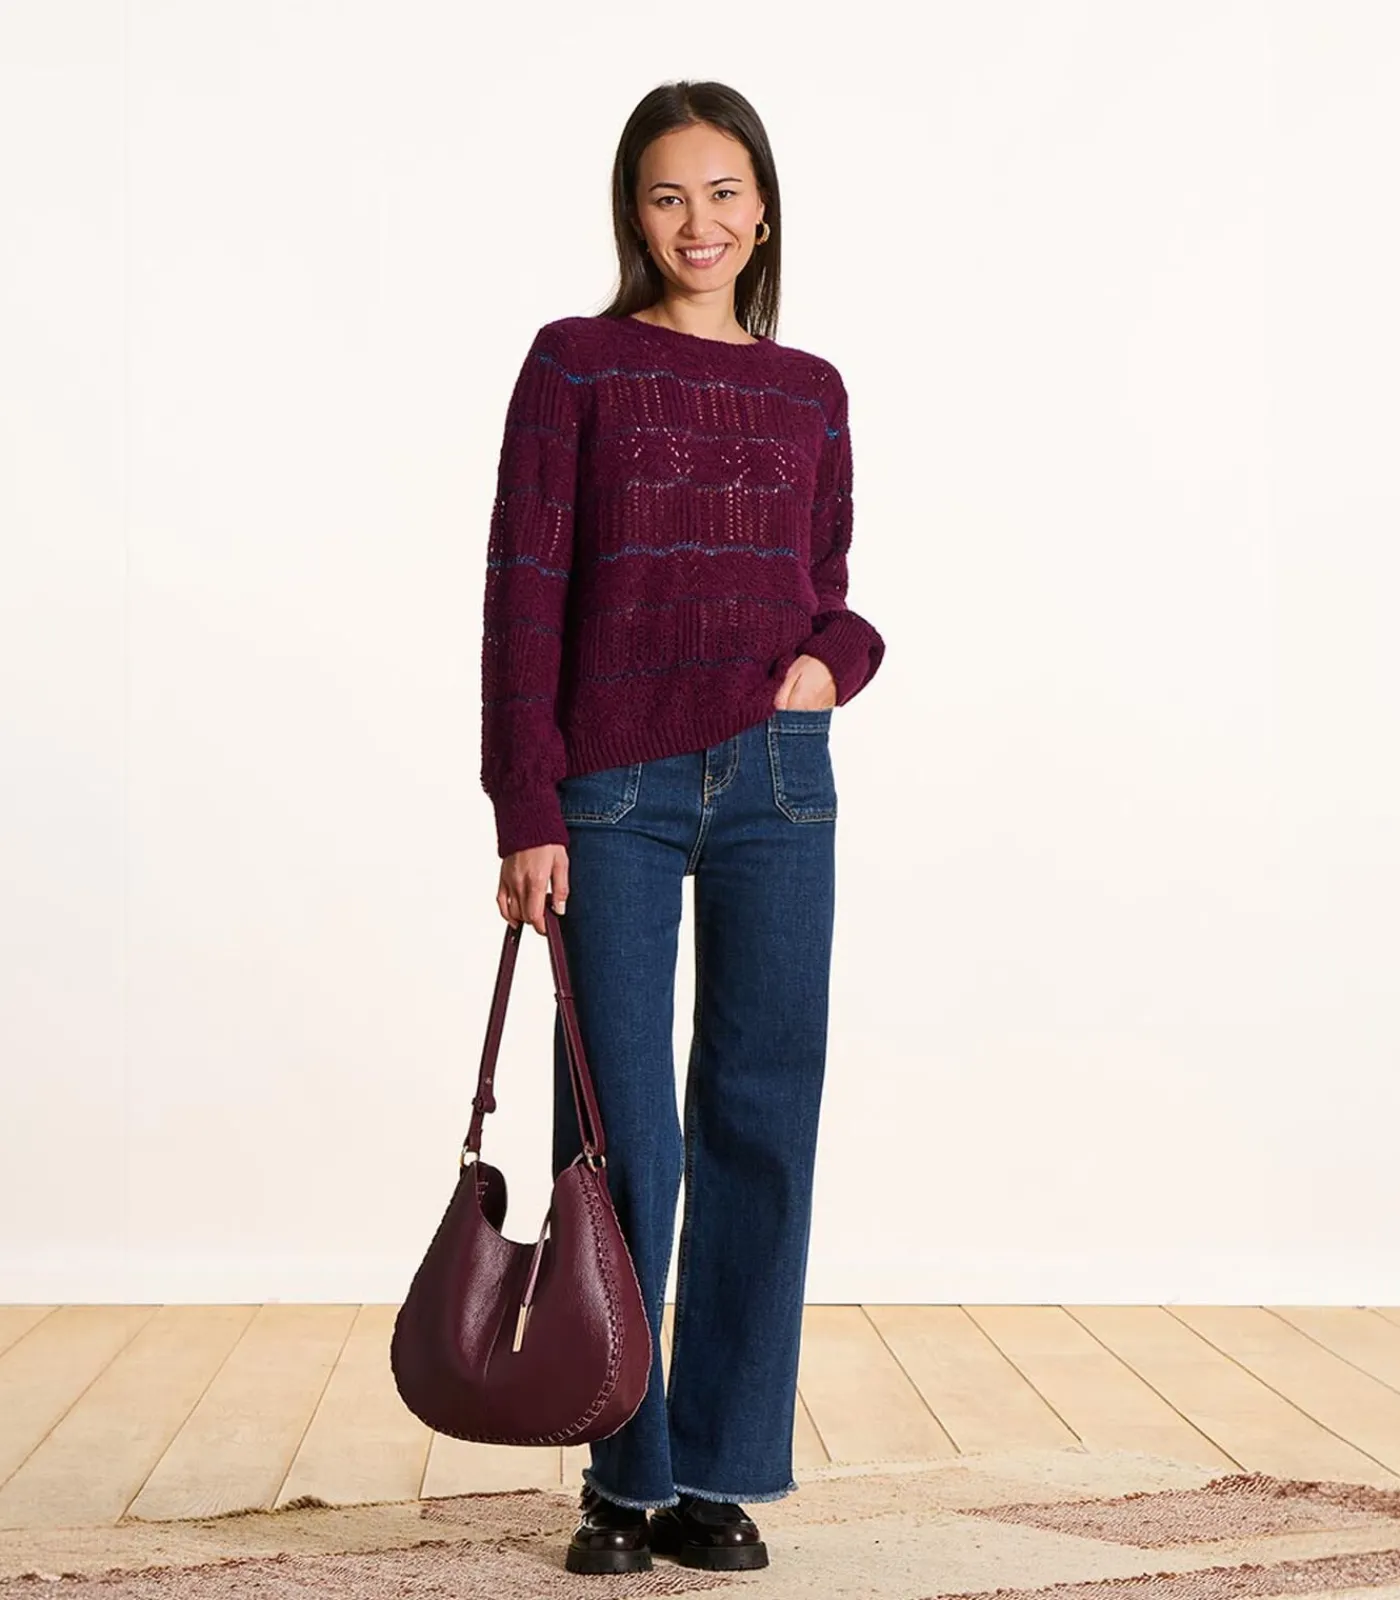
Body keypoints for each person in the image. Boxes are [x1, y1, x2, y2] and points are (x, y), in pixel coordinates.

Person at [479, 79, 886, 1577]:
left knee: (763, 1116)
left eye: (724, 192)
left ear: (763, 210)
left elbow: (825, 589)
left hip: (778, 777)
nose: (697, 222)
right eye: (667, 195)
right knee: (619, 1132)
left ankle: (719, 1469)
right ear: (632, 214)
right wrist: (525, 801)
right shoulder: (575, 364)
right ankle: (625, 1472)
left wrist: (832, 665)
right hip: (614, 792)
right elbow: (524, 592)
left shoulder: (811, 390)